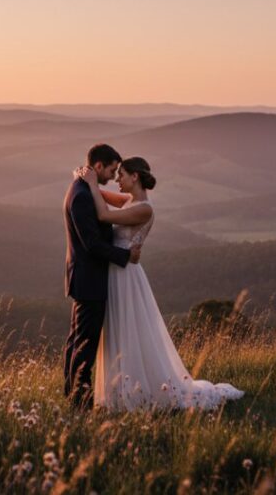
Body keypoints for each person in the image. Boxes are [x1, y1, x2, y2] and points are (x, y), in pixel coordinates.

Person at [75, 156, 244, 412]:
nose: (117, 179)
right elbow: (109, 198)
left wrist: (88, 183)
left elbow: (103, 213)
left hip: (126, 276)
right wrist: (89, 183)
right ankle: (120, 392)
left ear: (135, 177)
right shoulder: (133, 201)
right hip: (118, 271)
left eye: (121, 175)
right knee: (119, 329)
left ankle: (138, 391)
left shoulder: (145, 209)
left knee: (129, 329)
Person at [62, 143, 141, 410]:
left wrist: (95, 185)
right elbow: (92, 244)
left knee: (76, 341)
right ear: (97, 167)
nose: (113, 174)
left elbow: (118, 202)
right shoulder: (83, 196)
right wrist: (124, 256)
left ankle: (71, 395)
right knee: (85, 344)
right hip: (90, 279)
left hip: (84, 277)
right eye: (111, 169)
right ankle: (80, 404)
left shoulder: (84, 189)